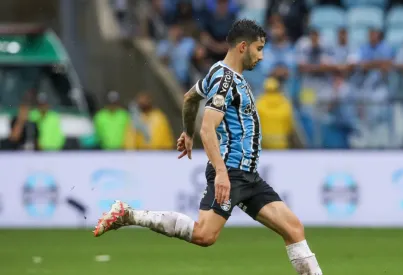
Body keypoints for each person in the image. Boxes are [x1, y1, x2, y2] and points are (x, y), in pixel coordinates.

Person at [93, 19, 323, 275]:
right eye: (258, 49)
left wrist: (187, 133)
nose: (261, 56)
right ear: (243, 47)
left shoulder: (219, 73)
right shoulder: (225, 80)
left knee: (293, 229)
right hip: (232, 172)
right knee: (204, 234)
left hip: (248, 176)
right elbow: (208, 128)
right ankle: (128, 215)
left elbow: (190, 97)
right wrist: (221, 172)